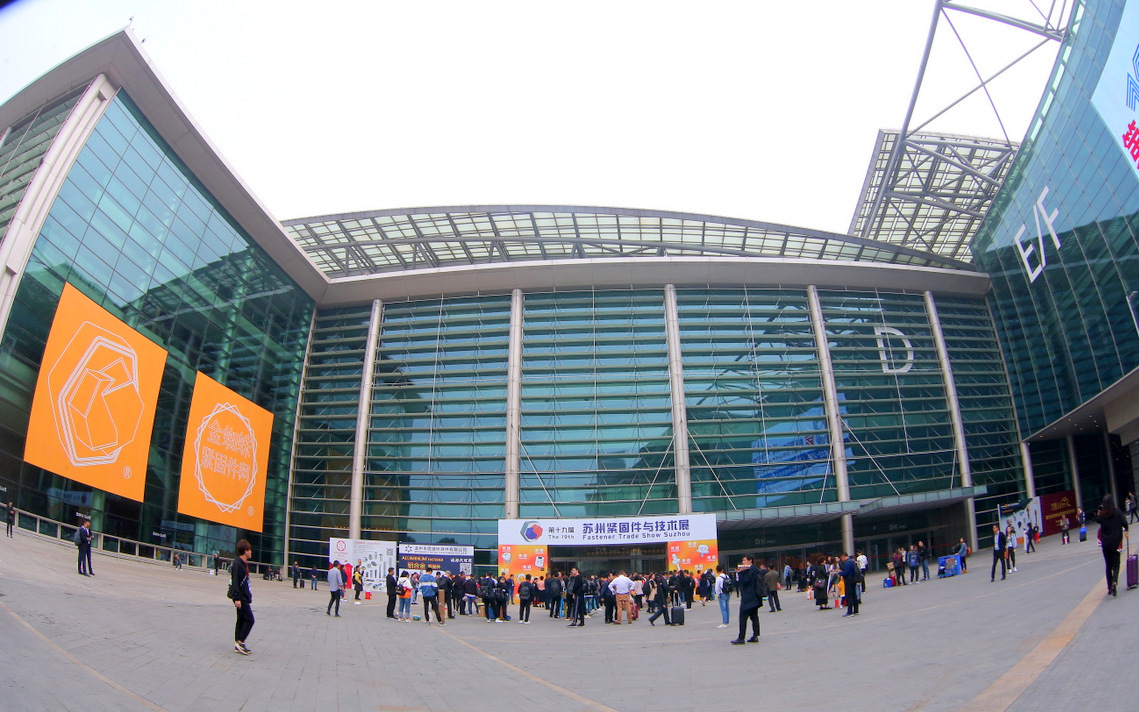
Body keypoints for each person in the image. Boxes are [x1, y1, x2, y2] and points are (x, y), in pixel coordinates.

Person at [1095, 494, 1129, 597]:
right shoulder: (1117, 512)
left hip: (1105, 544)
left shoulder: (1102, 515)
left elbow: (1096, 519)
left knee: (1108, 566)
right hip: (1116, 543)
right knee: (1116, 565)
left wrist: (1099, 511)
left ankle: (1109, 587)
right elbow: (1125, 523)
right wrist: (1125, 529)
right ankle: (1114, 582)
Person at [229, 539, 254, 655]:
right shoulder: (238, 564)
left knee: (241, 619)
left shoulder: (243, 564)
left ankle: (237, 644)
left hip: (244, 596)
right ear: (245, 551)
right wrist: (237, 598)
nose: (251, 552)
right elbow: (235, 582)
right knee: (250, 619)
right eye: (249, 550)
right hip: (240, 597)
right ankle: (240, 641)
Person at [730, 555, 760, 645]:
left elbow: (745, 581)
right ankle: (755, 636)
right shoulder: (755, 569)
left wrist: (741, 572)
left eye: (744, 560)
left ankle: (741, 638)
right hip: (755, 597)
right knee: (754, 617)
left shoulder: (750, 570)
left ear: (750, 561)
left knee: (743, 618)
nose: (743, 562)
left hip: (748, 598)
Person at [840, 552, 860, 617]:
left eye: (841, 558)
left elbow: (845, 573)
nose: (842, 559)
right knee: (854, 594)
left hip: (849, 580)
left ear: (843, 556)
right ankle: (856, 610)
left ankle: (850, 611)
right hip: (853, 579)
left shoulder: (847, 563)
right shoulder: (852, 561)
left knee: (849, 596)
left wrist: (840, 572)